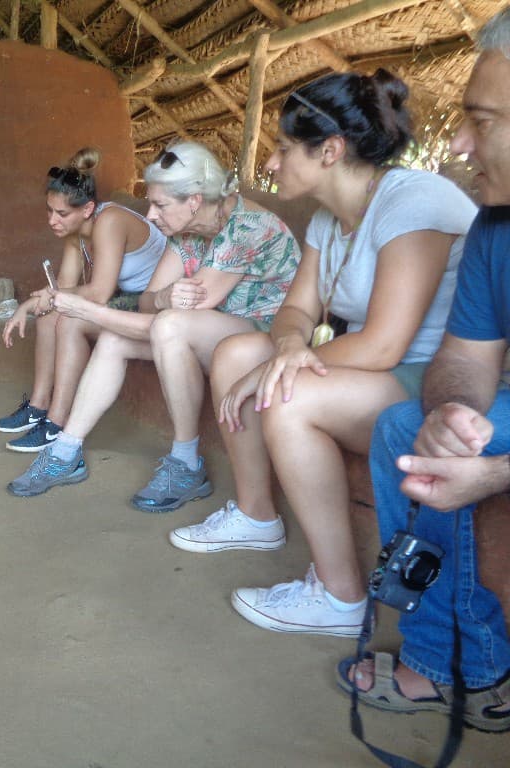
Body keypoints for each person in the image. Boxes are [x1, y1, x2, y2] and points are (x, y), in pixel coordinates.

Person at [175, 69, 477, 637]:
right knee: (239, 351)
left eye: (284, 148)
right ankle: (256, 513)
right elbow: (295, 312)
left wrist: (278, 366)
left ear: (331, 150)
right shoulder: (326, 220)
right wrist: (285, 345)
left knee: (288, 396)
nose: (270, 162)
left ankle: (339, 597)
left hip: (436, 378)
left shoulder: (414, 199)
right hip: (370, 367)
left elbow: (387, 342)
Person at [336, 9, 510, 733]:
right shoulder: (495, 229)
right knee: (409, 425)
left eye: (483, 121)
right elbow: (465, 358)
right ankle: (450, 659)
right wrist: (451, 413)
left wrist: (501, 470)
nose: (461, 145)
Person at [6, 141, 300, 502]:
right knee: (115, 340)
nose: (151, 214)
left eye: (160, 204)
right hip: (214, 334)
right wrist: (162, 296)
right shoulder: (188, 233)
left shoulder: (245, 228)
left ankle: (186, 464)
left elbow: (171, 324)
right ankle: (65, 451)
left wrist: (90, 312)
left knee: (168, 326)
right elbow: (149, 304)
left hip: (266, 338)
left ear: (193, 200)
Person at [0, 148, 166, 452]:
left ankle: (57, 424)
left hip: (151, 300)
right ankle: (38, 406)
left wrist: (44, 299)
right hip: (125, 298)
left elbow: (98, 292)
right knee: (51, 315)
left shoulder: (110, 220)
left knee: (70, 319)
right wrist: (32, 306)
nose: (52, 220)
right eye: (49, 211)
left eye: (61, 214)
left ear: (87, 209)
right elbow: (62, 288)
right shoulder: (76, 233)